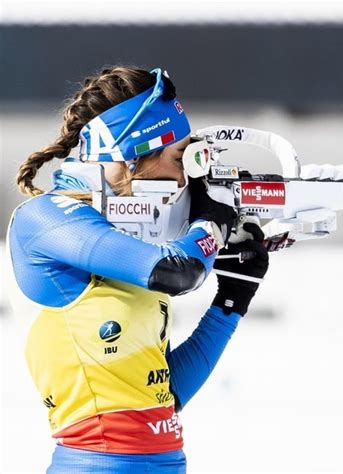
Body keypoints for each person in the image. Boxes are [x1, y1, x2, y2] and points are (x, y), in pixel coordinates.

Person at [6, 66, 269, 473]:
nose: (185, 178)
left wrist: (233, 298)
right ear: (132, 156)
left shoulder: (136, 247)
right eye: (181, 158)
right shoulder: (44, 219)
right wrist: (211, 221)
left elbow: (167, 396)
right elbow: (178, 272)